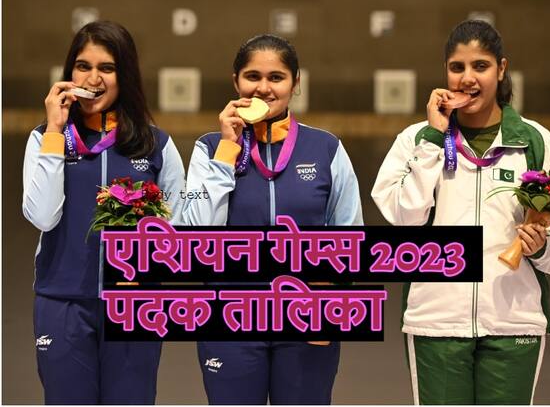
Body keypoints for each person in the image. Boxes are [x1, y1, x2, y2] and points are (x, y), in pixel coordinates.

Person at [371, 19, 550, 405]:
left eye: (481, 66)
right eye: (457, 67)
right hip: (436, 322)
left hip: (514, 323)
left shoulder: (536, 142)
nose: (467, 78)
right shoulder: (415, 139)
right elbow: (405, 219)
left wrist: (541, 246)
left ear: (502, 69)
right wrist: (433, 138)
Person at [184, 34, 363, 404]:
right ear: (236, 81)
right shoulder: (208, 148)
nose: (263, 88)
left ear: (295, 83)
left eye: (276, 77)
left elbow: (349, 233)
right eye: (253, 76)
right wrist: (227, 150)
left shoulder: (326, 148)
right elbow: (196, 232)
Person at [22, 20, 185, 404]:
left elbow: (178, 221)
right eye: (83, 66)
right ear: (70, 73)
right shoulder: (45, 138)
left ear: (124, 75)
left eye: (106, 68)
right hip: (63, 302)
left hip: (134, 307)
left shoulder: (155, 144)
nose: (93, 78)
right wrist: (54, 132)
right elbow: (42, 216)